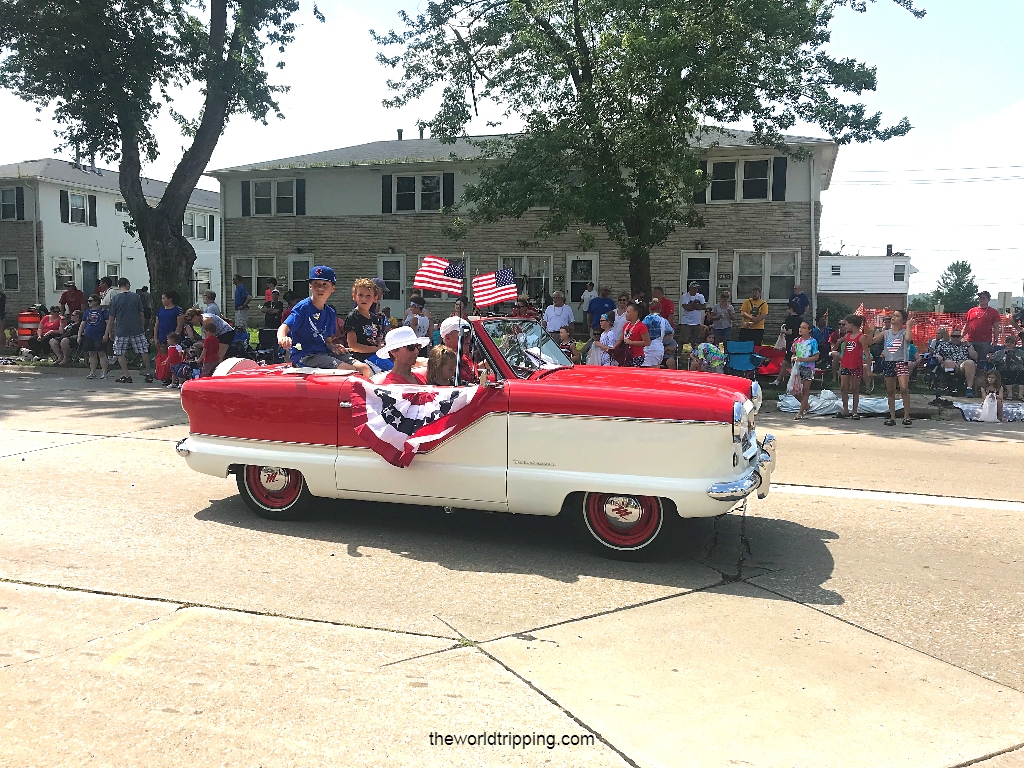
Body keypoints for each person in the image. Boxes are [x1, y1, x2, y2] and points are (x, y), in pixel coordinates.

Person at [278, 266, 371, 376]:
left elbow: (328, 341)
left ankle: (361, 393)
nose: (320, 288)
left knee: (364, 369)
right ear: (310, 286)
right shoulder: (303, 307)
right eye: (316, 284)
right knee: (349, 370)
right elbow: (284, 326)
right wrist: (282, 337)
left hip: (324, 352)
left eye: (324, 284)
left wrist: (334, 347)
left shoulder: (330, 312)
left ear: (333, 288)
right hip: (306, 356)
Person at [865, 309, 915, 426]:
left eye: (897, 316)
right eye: (893, 315)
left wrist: (908, 326)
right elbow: (870, 342)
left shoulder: (903, 333)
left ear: (902, 320)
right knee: (890, 390)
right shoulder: (885, 332)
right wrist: (871, 331)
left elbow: (908, 339)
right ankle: (892, 417)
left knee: (904, 388)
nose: (893, 317)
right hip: (888, 362)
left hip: (901, 362)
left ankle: (906, 416)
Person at [106, 277, 153, 384]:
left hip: (121, 329)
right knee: (143, 350)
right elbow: (141, 314)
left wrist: (110, 331)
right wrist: (142, 326)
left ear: (119, 286)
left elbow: (112, 317)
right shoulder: (136, 297)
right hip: (137, 329)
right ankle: (149, 373)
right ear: (127, 284)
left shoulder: (115, 299)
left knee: (120, 352)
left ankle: (126, 375)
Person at [344, 278, 385, 364]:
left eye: (368, 296)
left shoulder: (374, 317)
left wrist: (381, 347)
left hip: (376, 355)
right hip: (361, 358)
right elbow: (353, 346)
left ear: (375, 298)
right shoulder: (353, 317)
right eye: (361, 295)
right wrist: (376, 349)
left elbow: (377, 339)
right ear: (354, 297)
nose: (364, 299)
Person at [834, 315, 865, 419]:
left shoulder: (861, 337)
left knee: (855, 388)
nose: (845, 326)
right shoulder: (847, 337)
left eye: (846, 324)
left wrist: (868, 368)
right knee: (843, 387)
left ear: (852, 324)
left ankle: (855, 411)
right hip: (846, 364)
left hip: (856, 365)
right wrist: (841, 366)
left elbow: (866, 352)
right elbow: (846, 352)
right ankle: (845, 409)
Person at [935, 328, 978, 397]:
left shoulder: (966, 345)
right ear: (950, 336)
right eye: (953, 336)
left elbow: (975, 357)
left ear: (961, 337)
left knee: (970, 363)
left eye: (958, 336)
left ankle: (969, 389)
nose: (955, 338)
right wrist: (938, 356)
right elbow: (936, 354)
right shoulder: (944, 345)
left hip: (963, 365)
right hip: (949, 364)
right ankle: (951, 387)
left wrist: (969, 346)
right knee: (949, 363)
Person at [791, 320, 819, 420]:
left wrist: (803, 359)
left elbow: (816, 357)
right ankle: (806, 405)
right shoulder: (796, 341)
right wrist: (793, 357)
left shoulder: (813, 342)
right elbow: (793, 353)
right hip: (797, 367)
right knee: (794, 390)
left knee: (805, 390)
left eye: (804, 328)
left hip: (808, 367)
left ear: (809, 330)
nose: (801, 329)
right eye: (800, 327)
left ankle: (800, 412)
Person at [439, 315, 479, 384]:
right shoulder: (442, 362)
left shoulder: (463, 357)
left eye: (470, 334)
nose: (469, 338)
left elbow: (476, 369)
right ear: (448, 338)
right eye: (464, 335)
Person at [963, 290, 1002, 360]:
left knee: (983, 361)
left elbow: (996, 327)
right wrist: (961, 337)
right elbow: (966, 325)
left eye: (983, 298)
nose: (981, 299)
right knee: (969, 360)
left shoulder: (994, 312)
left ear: (989, 299)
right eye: (980, 298)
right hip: (971, 341)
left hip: (985, 342)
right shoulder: (971, 311)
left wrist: (995, 341)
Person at [78, 294, 109, 379]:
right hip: (89, 335)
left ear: (96, 301)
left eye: (90, 301)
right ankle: (92, 372)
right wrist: (79, 335)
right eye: (88, 301)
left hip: (99, 335)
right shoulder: (87, 312)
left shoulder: (103, 311)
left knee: (101, 353)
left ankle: (104, 372)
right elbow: (83, 323)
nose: (89, 303)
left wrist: (106, 334)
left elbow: (108, 323)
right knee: (91, 353)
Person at [775, 303, 803, 386]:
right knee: (787, 362)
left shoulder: (789, 319)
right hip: (799, 342)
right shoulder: (800, 319)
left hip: (791, 343)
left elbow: (790, 332)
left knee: (787, 361)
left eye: (788, 309)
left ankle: (792, 382)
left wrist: (782, 332)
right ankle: (778, 380)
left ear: (791, 309)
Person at [991, 334, 1024, 401]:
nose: (1009, 344)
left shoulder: (1020, 352)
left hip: (1019, 370)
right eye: (1007, 342)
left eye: (1011, 343)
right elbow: (992, 361)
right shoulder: (999, 353)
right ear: (1004, 343)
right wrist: (989, 357)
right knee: (1006, 372)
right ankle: (1009, 395)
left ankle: (1021, 395)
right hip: (1004, 370)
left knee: (1022, 373)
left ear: (1015, 345)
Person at [153, 291, 185, 355]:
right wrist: (155, 338)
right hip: (162, 338)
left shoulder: (178, 310)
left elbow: (180, 325)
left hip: (173, 340)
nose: (162, 300)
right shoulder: (160, 310)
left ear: (170, 299)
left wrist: (174, 339)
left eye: (164, 298)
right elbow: (157, 325)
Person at [620, 301, 650, 368]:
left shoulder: (641, 326)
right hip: (627, 355)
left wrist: (632, 342)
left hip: (637, 356)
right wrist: (613, 348)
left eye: (628, 312)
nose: (625, 314)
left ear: (635, 313)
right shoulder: (626, 325)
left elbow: (647, 342)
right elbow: (620, 339)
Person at [678, 282, 706, 350]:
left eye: (697, 288)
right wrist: (697, 306)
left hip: (697, 322)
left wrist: (692, 305)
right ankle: (682, 354)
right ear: (690, 288)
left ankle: (696, 353)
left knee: (696, 339)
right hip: (686, 321)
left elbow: (703, 307)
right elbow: (686, 307)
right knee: (684, 339)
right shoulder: (685, 296)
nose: (695, 289)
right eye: (694, 288)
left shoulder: (700, 296)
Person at [641, 300, 669, 368]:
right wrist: (661, 339)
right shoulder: (664, 321)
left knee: (646, 372)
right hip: (659, 348)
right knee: (656, 370)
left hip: (648, 348)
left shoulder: (647, 319)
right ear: (660, 309)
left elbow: (641, 331)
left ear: (649, 309)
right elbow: (671, 333)